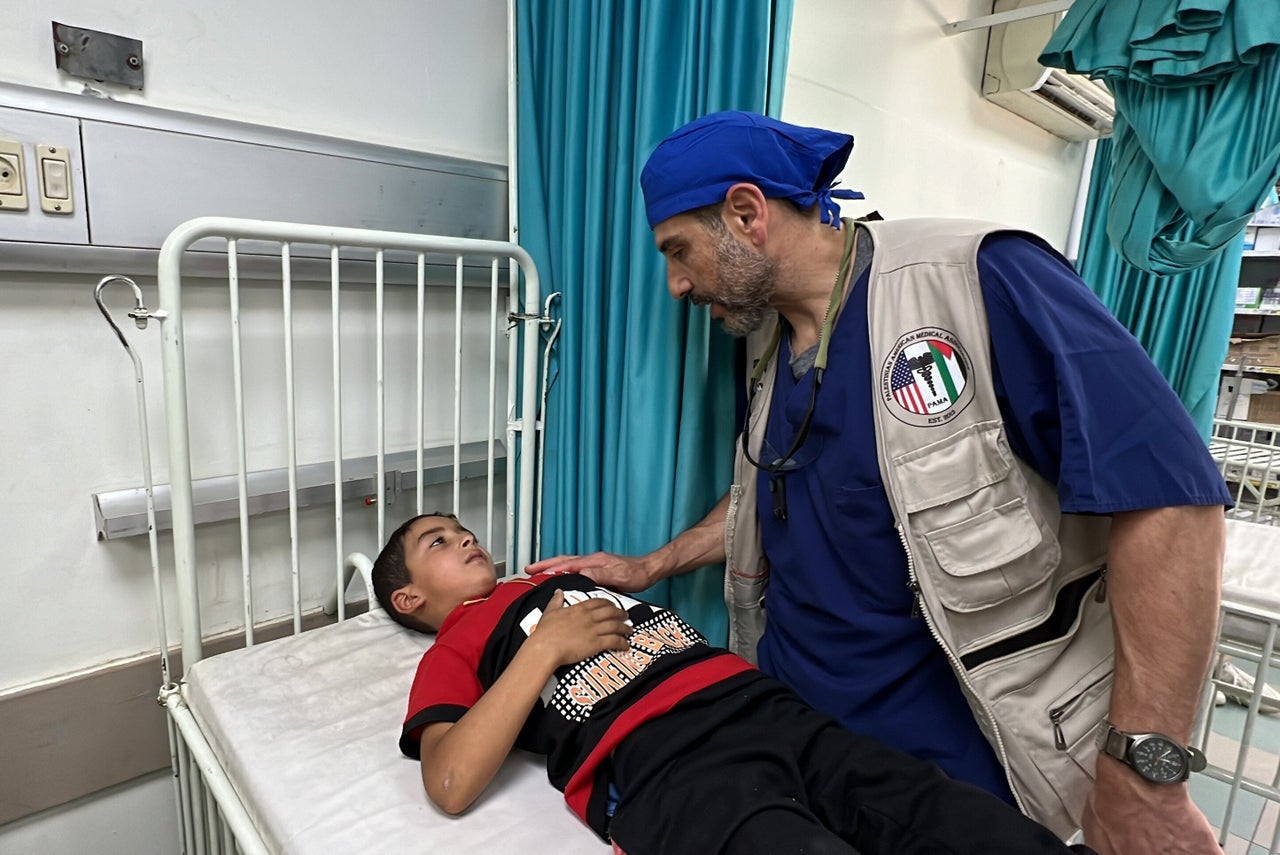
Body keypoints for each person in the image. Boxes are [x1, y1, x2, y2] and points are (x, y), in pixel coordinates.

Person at [527, 111, 1232, 855]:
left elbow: (1170, 498)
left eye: (679, 251)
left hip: (962, 775)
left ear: (746, 213)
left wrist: (1146, 768)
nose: (675, 285)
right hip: (803, 749)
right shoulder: (765, 347)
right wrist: (650, 566)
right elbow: (775, 497)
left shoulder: (976, 282)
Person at [375, 511, 1095, 855]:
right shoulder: (457, 643)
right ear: (410, 600)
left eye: (461, 525)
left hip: (766, 707)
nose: (466, 535)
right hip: (670, 763)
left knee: (952, 818)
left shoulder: (550, 576)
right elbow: (450, 780)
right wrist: (545, 649)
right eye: (437, 541)